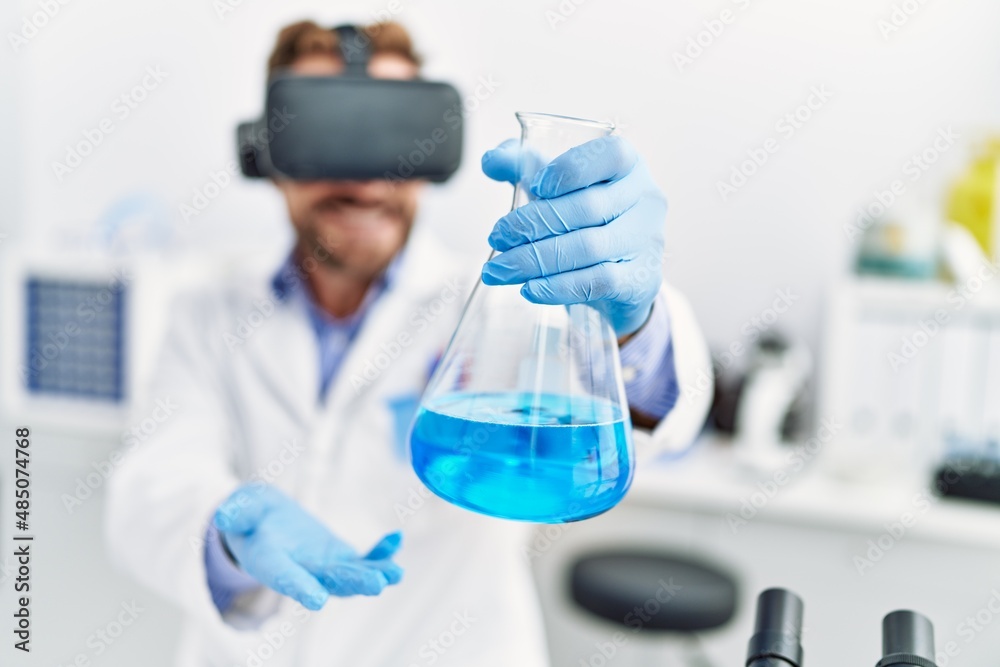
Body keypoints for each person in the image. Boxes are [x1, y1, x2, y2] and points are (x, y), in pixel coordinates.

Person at [105, 19, 712, 667]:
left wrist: (633, 321)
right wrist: (227, 535)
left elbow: (662, 416)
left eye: (391, 135)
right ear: (267, 154)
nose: (365, 179)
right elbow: (150, 485)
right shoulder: (208, 312)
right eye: (327, 134)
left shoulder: (500, 301)